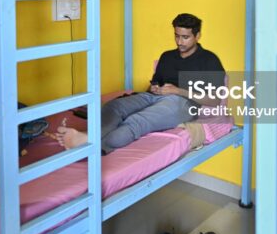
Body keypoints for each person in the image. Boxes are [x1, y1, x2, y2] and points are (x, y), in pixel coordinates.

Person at [57, 13, 225, 154]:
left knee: (137, 120)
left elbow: (215, 100)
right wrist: (153, 88)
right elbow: (154, 82)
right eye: (177, 35)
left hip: (183, 103)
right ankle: (87, 137)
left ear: (197, 36)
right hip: (153, 97)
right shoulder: (167, 56)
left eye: (186, 37)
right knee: (114, 107)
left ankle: (95, 147)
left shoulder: (209, 60)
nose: (180, 42)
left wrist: (178, 91)